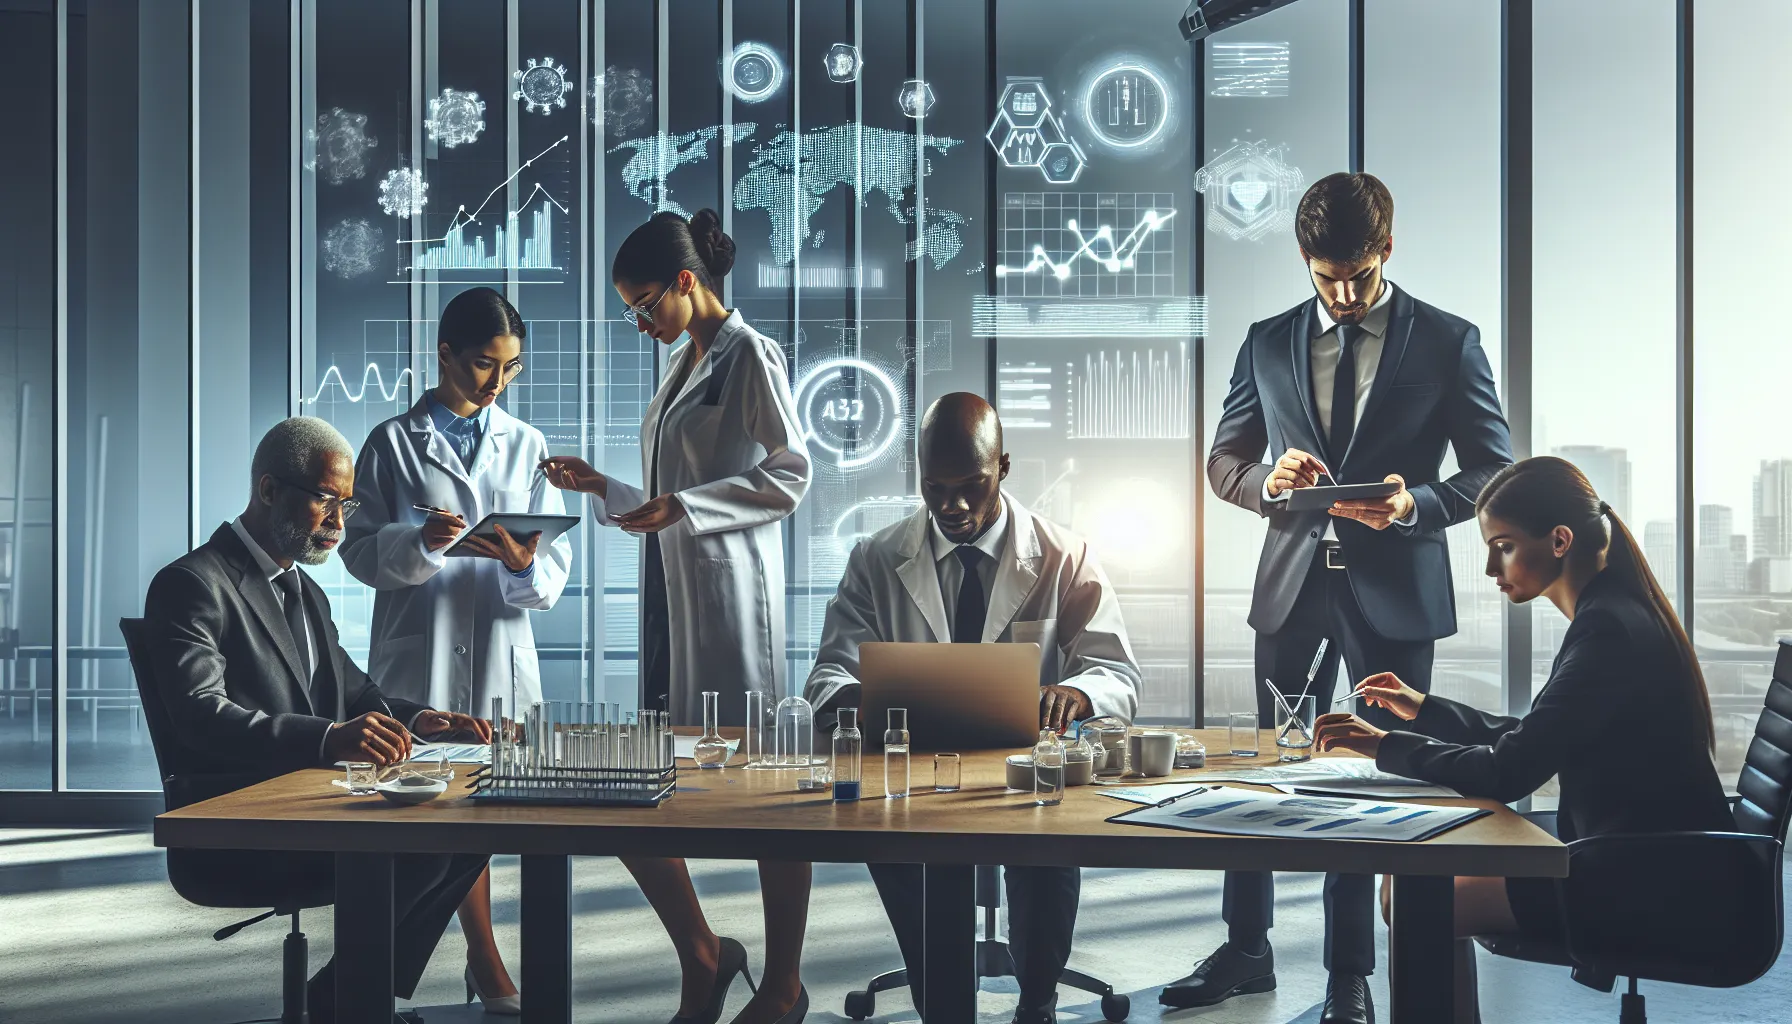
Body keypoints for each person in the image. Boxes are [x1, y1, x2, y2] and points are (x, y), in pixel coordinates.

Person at [1186, 172, 1514, 1024]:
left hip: (1396, 594)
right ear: (1305, 258)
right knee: (1265, 770)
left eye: (1359, 277)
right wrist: (1268, 480)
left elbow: (1493, 469)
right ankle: (1246, 950)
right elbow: (1224, 462)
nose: (1342, 295)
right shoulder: (1266, 341)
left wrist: (1414, 505)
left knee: (1372, 780)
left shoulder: (1448, 341)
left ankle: (1349, 977)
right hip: (1291, 587)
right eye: (1326, 277)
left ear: (1387, 251)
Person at [1313, 455, 1744, 1011]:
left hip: (1644, 878)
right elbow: (1538, 734)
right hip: (1650, 857)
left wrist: (1382, 745)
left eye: (1504, 546)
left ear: (1560, 540)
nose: (1491, 567)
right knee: (1414, 875)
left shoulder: (1607, 630)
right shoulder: (1612, 612)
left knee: (1414, 894)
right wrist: (1423, 710)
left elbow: (1509, 770)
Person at [541, 209, 811, 1024]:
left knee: (763, 795)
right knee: (649, 785)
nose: (639, 322)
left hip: (731, 603)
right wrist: (603, 487)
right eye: (630, 309)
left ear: (687, 282)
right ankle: (705, 952)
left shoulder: (749, 354)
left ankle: (784, 985)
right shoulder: (682, 362)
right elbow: (669, 497)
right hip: (671, 593)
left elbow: (791, 472)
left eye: (644, 303)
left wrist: (688, 507)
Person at [142, 417, 493, 1024]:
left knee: (467, 834)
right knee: (429, 847)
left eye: (346, 504)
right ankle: (343, 1001)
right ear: (269, 489)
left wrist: (424, 720)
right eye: (326, 499)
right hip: (245, 817)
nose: (340, 521)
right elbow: (199, 715)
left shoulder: (305, 590)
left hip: (315, 802)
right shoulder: (192, 583)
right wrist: (328, 739)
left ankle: (340, 998)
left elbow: (354, 691)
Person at [806, 392, 1142, 1024]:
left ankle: (1036, 1000)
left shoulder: (1063, 554)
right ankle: (941, 1002)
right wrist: (859, 696)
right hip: (915, 768)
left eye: (970, 487)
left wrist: (1078, 692)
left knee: (1047, 843)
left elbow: (1116, 672)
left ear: (1003, 468)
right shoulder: (877, 557)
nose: (952, 506)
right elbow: (828, 672)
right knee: (893, 839)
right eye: (935, 488)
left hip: (1026, 769)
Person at [342, 286, 572, 1014]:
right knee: (437, 814)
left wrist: (522, 564)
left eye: (511, 367)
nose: (497, 382)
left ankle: (482, 961)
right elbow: (357, 551)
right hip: (423, 658)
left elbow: (553, 569)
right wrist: (421, 543)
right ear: (444, 354)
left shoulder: (527, 443)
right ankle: (477, 960)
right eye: (482, 364)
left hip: (503, 652)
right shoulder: (391, 442)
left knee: (496, 809)